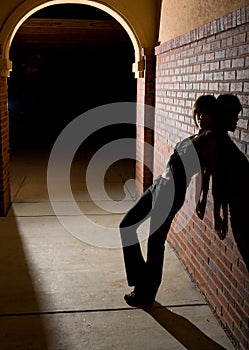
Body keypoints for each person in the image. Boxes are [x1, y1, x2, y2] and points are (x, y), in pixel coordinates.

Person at [119, 95, 219, 306]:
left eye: (206, 113)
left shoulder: (210, 142)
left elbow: (205, 173)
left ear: (214, 115)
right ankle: (139, 279)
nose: (201, 117)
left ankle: (146, 293)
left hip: (171, 194)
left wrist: (200, 199)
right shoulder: (197, 136)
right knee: (127, 224)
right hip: (159, 185)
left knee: (156, 242)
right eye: (199, 112)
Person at [206, 94, 249, 270]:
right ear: (224, 115)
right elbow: (217, 181)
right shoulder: (217, 142)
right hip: (242, 211)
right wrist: (217, 216)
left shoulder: (222, 139)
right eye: (234, 115)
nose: (237, 120)